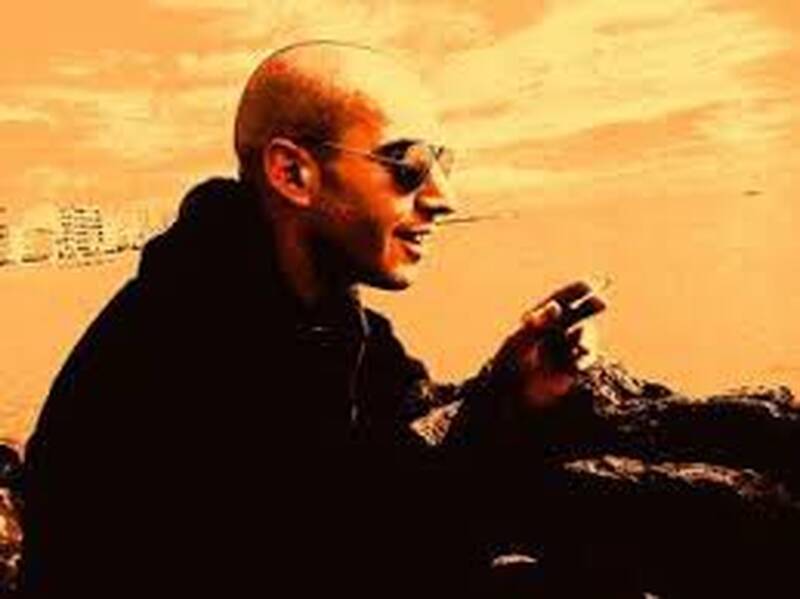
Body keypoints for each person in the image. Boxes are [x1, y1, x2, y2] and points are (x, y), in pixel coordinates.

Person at [20, 40, 605, 597]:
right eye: (408, 166)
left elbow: (402, 465)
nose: (443, 197)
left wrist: (515, 390)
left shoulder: (331, 320)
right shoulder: (188, 352)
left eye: (443, 162)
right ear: (292, 173)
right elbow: (375, 554)